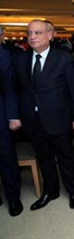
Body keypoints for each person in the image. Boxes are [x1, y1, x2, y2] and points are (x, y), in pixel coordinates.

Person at [13, 20, 74, 210]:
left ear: (50, 35)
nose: (32, 37)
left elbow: (73, 92)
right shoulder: (21, 59)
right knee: (43, 158)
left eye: (37, 33)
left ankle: (73, 191)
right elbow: (18, 90)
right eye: (29, 33)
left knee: (66, 157)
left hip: (58, 118)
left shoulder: (63, 59)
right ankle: (50, 191)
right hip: (32, 120)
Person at [0, 41, 23, 217]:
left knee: (6, 157)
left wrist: (13, 115)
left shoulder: (2, 54)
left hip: (1, 115)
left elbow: (9, 87)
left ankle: (13, 197)